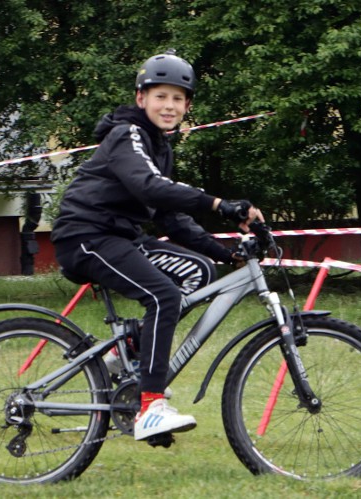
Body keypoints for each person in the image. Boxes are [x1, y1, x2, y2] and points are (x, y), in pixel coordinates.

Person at [51, 50, 263, 443]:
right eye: (160, 96)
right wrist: (219, 204)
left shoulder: (158, 147)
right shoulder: (125, 134)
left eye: (178, 98)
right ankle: (150, 407)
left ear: (187, 106)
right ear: (140, 98)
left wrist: (226, 252)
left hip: (119, 236)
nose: (169, 105)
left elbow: (170, 219)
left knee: (198, 271)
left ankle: (125, 353)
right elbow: (149, 187)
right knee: (164, 295)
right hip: (86, 236)